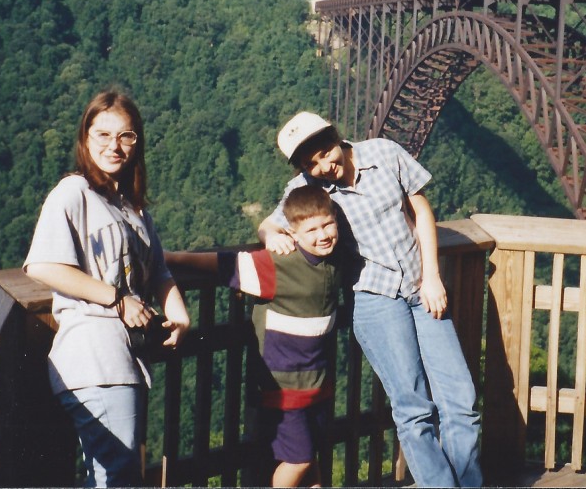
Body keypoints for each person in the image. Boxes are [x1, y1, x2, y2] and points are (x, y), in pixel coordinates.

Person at [258, 112, 483, 488]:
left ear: (336, 135)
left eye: (325, 151)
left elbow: (422, 210)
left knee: (461, 401)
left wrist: (432, 276)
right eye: (310, 161)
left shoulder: (385, 152)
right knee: (413, 409)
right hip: (374, 298)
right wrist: (269, 236)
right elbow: (272, 222)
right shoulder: (307, 186)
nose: (324, 164)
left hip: (421, 287)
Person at [24, 90, 190, 487]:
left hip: (121, 358)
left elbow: (160, 271)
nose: (114, 146)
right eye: (103, 135)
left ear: (137, 143)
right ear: (85, 138)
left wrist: (181, 316)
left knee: (112, 473)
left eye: (126, 136)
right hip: (93, 356)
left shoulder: (132, 208)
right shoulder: (74, 192)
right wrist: (117, 299)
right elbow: (43, 265)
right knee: (118, 475)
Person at [168, 185, 353, 488]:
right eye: (311, 230)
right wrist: (172, 259)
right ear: (293, 233)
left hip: (318, 382)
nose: (323, 235)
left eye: (327, 224)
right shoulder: (279, 264)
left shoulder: (335, 260)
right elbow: (223, 263)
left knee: (310, 460)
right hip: (282, 387)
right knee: (299, 460)